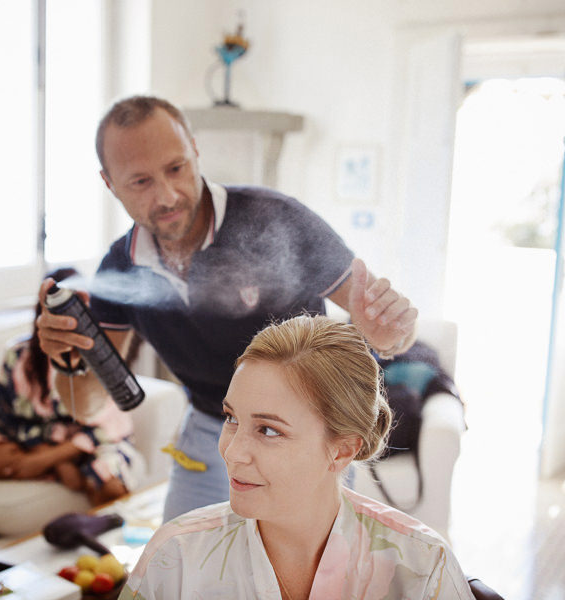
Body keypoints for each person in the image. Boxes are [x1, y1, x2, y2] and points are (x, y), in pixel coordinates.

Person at [36, 95, 419, 521]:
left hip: (302, 434)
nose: (167, 196)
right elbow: (85, 406)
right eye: (140, 182)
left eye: (176, 168)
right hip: (207, 431)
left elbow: (389, 331)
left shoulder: (278, 218)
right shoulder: (119, 269)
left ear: (195, 150)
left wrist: (390, 330)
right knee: (181, 573)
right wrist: (69, 361)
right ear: (110, 184)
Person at [119, 315, 474, 599]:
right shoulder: (176, 555)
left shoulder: (424, 567)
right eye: (232, 419)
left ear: (343, 449)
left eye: (269, 430)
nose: (232, 452)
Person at [0, 268, 141, 506]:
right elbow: (0, 423)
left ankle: (65, 470)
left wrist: (60, 453)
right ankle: (58, 467)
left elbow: (108, 428)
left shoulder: (100, 356)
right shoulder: (18, 356)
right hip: (36, 444)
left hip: (87, 445)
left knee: (109, 485)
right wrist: (54, 457)